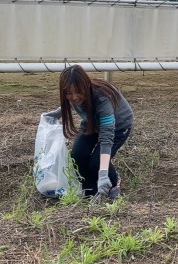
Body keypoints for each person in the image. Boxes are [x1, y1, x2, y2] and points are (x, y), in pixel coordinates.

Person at [44, 65, 134, 199]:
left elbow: (106, 137)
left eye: (78, 92)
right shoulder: (74, 96)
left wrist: (103, 174)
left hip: (118, 126)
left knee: (96, 163)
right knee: (77, 155)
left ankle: (114, 182)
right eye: (68, 93)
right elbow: (70, 101)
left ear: (86, 86)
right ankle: (91, 191)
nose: (74, 97)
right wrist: (58, 113)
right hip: (91, 121)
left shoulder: (102, 99)